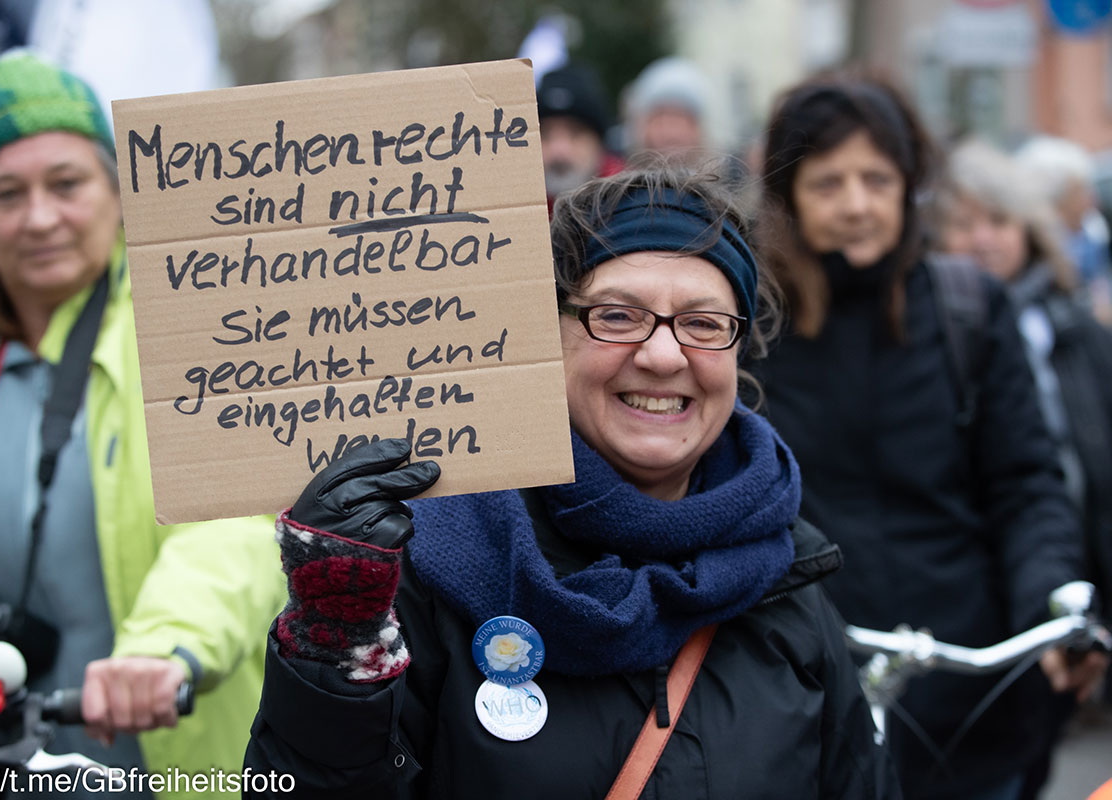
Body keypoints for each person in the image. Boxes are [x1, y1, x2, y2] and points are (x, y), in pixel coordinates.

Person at [243, 165, 899, 798]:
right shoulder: (421, 566)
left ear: (737, 351)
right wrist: (336, 648)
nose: (663, 355)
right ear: (547, 337)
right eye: (617, 316)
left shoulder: (786, 583)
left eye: (704, 324)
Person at [0, 50, 284, 798]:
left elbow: (237, 521)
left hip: (165, 762)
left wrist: (169, 647)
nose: (40, 218)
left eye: (67, 184)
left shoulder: (199, 316)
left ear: (117, 189)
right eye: (6, 193)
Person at [750, 74, 1107, 800]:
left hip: (971, 697)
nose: (857, 204)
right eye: (828, 183)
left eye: (877, 179)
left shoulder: (968, 309)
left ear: (910, 185)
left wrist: (1052, 603)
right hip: (805, 696)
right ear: (789, 196)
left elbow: (1025, 483)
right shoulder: (750, 324)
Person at [933, 138, 1112, 796]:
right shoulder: (926, 337)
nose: (983, 239)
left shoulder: (1076, 329)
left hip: (1067, 569)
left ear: (1029, 232)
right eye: (963, 223)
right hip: (974, 594)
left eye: (999, 221)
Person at [1016, 135, 1112, 325]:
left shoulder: (1089, 241)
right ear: (1054, 201)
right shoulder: (1038, 265)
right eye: (1079, 192)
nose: (1091, 201)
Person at [536, 62, 624, 212]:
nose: (559, 151)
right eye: (544, 135)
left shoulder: (634, 203)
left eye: (575, 133)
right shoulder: (508, 207)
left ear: (599, 142)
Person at [622, 56, 711, 168]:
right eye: (660, 121)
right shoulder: (620, 174)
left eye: (678, 120)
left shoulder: (725, 176)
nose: (670, 134)